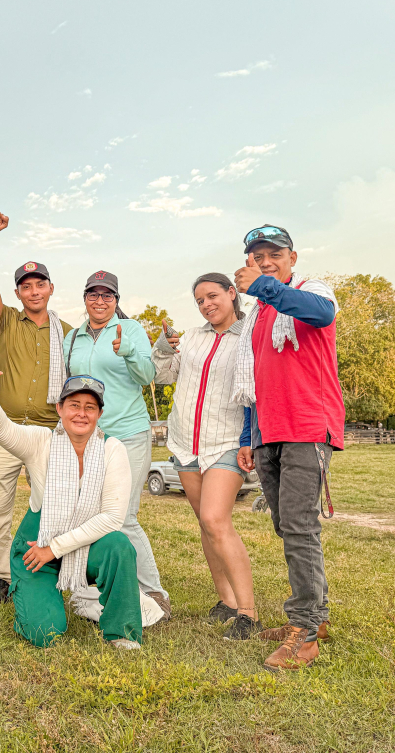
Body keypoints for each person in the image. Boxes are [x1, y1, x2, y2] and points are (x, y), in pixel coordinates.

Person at [233, 224, 344, 671]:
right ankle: (316, 616)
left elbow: (321, 315)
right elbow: (254, 381)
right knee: (287, 525)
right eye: (257, 257)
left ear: (292, 258)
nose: (266, 262)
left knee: (298, 525)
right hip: (269, 430)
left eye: (274, 255)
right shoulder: (258, 315)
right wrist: (249, 437)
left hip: (307, 425)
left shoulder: (309, 291)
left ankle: (305, 630)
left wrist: (263, 286)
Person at [0, 369, 143, 650]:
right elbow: (2, 428)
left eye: (90, 407)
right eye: (74, 405)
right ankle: (34, 601)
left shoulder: (112, 449)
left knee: (119, 546)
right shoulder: (41, 441)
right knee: (45, 633)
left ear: (99, 413)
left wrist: (55, 548)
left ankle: (122, 632)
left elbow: (112, 518)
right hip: (35, 552)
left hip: (72, 548)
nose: (81, 414)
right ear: (60, 409)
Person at [152, 273, 260, 639]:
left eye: (213, 296)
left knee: (216, 520)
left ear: (231, 293)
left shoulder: (249, 335)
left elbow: (255, 389)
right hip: (185, 443)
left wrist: (251, 439)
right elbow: (163, 376)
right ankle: (226, 600)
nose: (206, 304)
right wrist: (163, 347)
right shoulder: (192, 338)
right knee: (205, 523)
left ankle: (248, 613)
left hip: (226, 441)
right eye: (200, 300)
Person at [62, 270, 171, 621]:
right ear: (85, 299)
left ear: (116, 300)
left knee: (123, 517)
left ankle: (153, 591)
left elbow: (147, 376)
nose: (100, 300)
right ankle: (94, 587)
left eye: (107, 295)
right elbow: (68, 384)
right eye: (93, 294)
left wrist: (128, 352)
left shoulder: (131, 329)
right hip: (88, 437)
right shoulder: (73, 337)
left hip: (128, 433)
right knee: (89, 514)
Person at [0, 211, 73, 602]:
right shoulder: (7, 322)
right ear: (18, 293)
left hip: (49, 433)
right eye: (26, 286)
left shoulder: (67, 333)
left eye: (39, 284)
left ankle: (50, 569)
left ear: (50, 288)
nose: (33, 291)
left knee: (52, 506)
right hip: (7, 429)